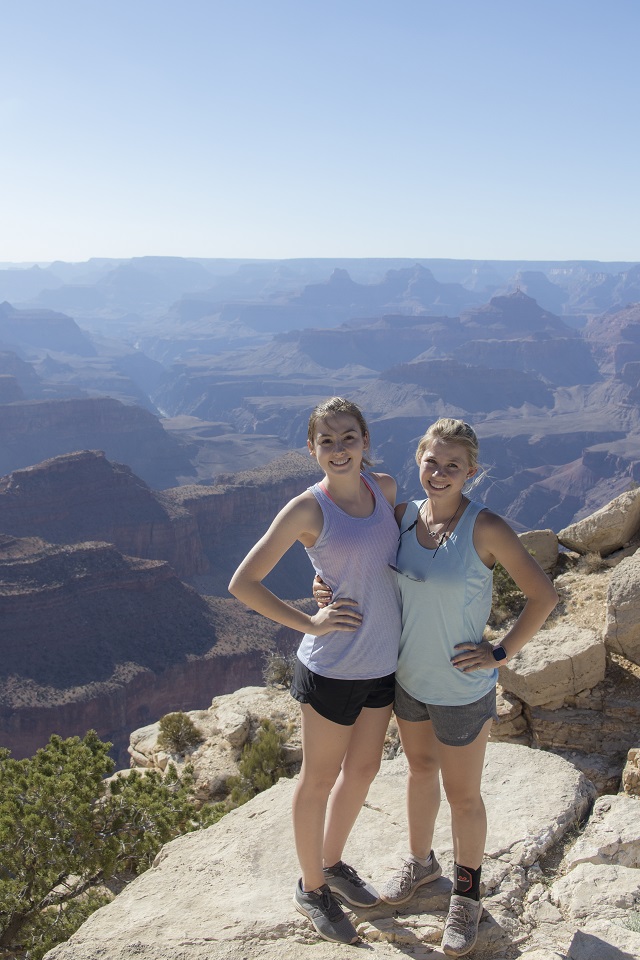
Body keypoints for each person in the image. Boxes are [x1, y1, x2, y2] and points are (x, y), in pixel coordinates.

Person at [314, 418, 558, 957]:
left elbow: (543, 595)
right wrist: (324, 585)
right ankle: (422, 867)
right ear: (417, 461)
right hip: (407, 678)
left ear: (472, 471)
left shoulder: (486, 528)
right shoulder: (401, 518)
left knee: (464, 796)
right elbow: (360, 561)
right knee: (420, 771)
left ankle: (466, 897)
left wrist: (500, 652)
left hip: (462, 687)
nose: (440, 473)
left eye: (453, 466)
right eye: (431, 462)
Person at [228, 397, 402, 945]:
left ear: (365, 441)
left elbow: (396, 560)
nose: (339, 448)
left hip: (382, 663)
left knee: (365, 771)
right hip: (331, 668)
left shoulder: (387, 490)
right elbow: (243, 583)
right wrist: (312, 622)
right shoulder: (308, 509)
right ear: (312, 450)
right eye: (327, 441)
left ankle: (331, 863)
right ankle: (311, 888)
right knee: (319, 780)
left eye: (348, 437)